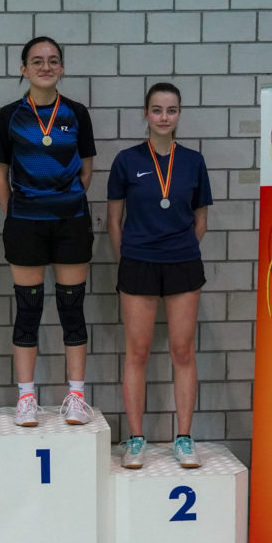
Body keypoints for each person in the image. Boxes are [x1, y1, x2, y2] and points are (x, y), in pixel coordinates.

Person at [0, 36, 97, 427]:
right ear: (24, 69)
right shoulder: (9, 115)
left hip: (71, 222)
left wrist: (62, 202)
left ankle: (76, 395)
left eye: (53, 60)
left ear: (62, 68)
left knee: (72, 308)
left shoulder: (77, 113)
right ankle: (26, 397)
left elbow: (86, 169)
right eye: (37, 61)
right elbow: (0, 173)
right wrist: (20, 212)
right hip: (25, 224)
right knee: (28, 310)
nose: (46, 66)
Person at [107, 82, 212, 470]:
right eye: (157, 110)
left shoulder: (193, 161)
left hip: (183, 263)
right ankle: (136, 439)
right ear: (146, 113)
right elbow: (113, 221)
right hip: (138, 263)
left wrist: (177, 249)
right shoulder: (126, 160)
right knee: (138, 351)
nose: (164, 117)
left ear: (179, 114)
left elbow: (201, 220)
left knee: (182, 351)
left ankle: (183, 437)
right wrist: (130, 255)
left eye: (171, 110)